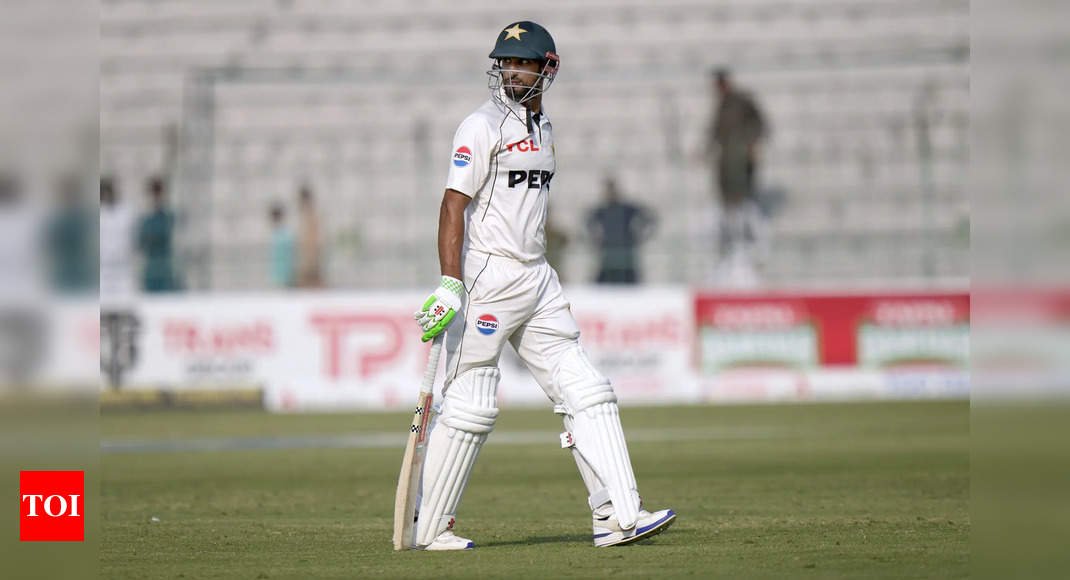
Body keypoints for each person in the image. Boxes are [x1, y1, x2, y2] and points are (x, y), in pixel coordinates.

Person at [411, 21, 676, 551]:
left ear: (547, 68)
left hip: (538, 277)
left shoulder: (545, 126)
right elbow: (452, 205)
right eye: (506, 63)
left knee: (587, 389)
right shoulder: (480, 126)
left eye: (523, 63)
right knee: (469, 404)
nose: (512, 72)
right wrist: (450, 283)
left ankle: (615, 515)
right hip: (489, 278)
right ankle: (430, 526)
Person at [705, 68, 768, 286]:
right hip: (726, 159)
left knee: (743, 201)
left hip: (740, 158)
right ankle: (731, 242)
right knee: (727, 201)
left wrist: (751, 143)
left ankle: (750, 243)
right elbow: (714, 132)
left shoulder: (741, 101)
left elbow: (759, 123)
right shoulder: (721, 105)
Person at [586, 177, 656, 284]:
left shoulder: (627, 208)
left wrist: (640, 236)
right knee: (603, 283)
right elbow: (588, 223)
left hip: (625, 251)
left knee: (629, 281)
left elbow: (649, 219)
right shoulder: (602, 210)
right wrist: (595, 238)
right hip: (608, 251)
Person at [137, 176, 177, 292]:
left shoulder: (168, 217)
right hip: (152, 268)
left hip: (166, 268)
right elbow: (141, 243)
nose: (155, 197)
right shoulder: (146, 219)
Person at [295, 185, 323, 288]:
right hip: (307, 261)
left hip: (311, 262)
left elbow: (313, 242)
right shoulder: (305, 217)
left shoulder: (311, 217)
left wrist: (310, 262)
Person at [268, 203, 295, 288]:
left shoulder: (286, 235)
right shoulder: (275, 234)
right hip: (278, 275)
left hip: (287, 276)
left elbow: (290, 256)